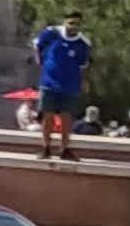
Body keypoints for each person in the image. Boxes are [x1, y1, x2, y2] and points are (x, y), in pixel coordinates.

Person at [32, 13, 93, 163]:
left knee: (67, 119)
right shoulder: (52, 33)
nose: (74, 27)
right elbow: (37, 44)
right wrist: (39, 60)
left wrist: (85, 82)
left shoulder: (83, 43)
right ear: (65, 22)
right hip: (49, 84)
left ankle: (64, 149)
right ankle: (45, 147)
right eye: (71, 23)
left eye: (77, 24)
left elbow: (83, 65)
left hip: (70, 86)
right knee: (48, 117)